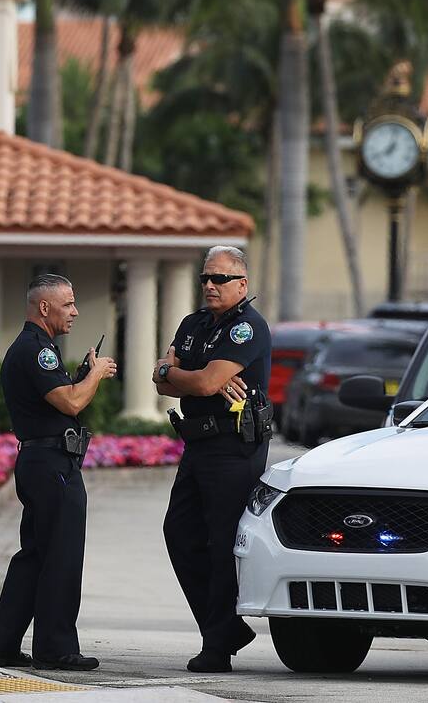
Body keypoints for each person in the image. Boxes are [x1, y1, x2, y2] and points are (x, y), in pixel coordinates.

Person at [0, 274, 117, 671]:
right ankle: (56, 649)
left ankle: (3, 646)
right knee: (60, 556)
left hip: (40, 463)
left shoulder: (35, 349)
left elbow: (59, 398)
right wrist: (96, 374)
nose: (75, 312)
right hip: (52, 465)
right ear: (45, 307)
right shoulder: (37, 349)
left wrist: (79, 377)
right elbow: (71, 404)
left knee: (35, 557)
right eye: (68, 304)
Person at [153, 246, 272, 673]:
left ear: (241, 284)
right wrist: (182, 377)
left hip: (233, 448)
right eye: (206, 278)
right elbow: (164, 379)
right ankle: (226, 628)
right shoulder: (194, 324)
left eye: (219, 279)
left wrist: (183, 376)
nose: (209, 285)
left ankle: (217, 645)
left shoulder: (247, 328)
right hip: (198, 444)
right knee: (179, 533)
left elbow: (199, 381)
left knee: (221, 545)